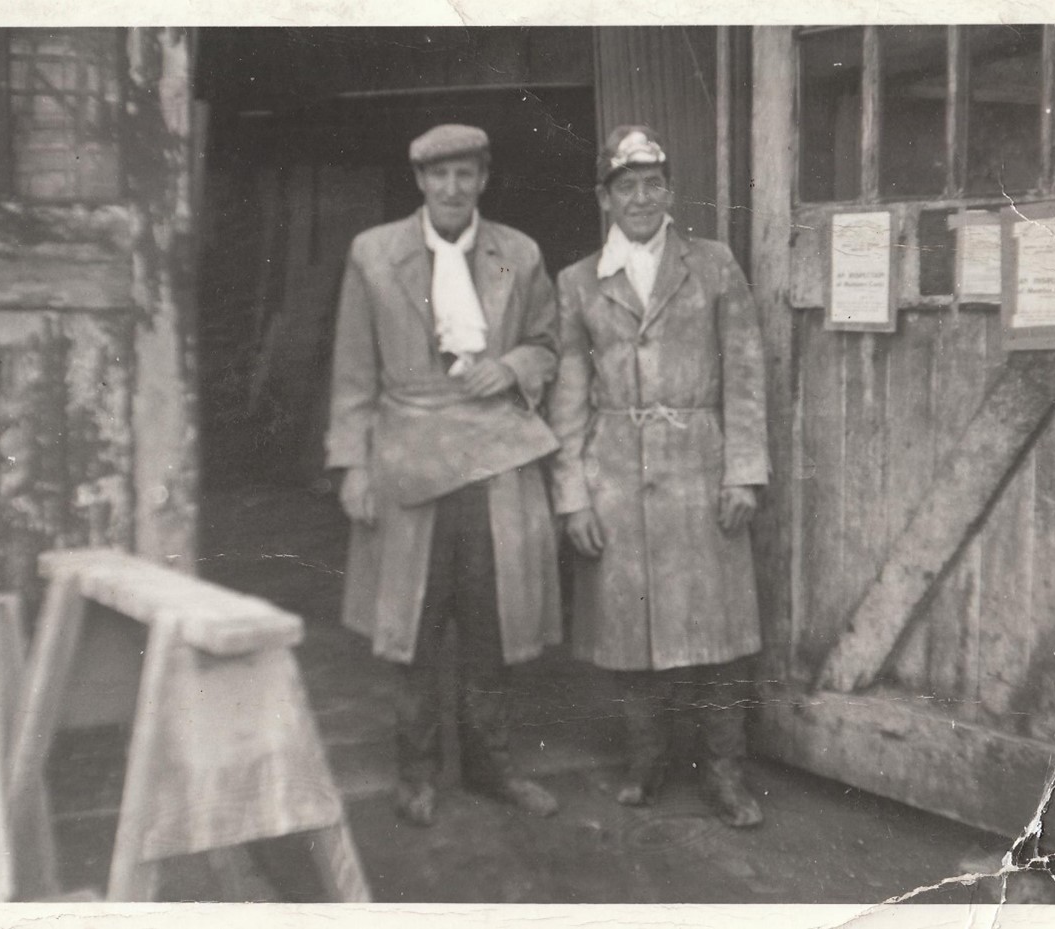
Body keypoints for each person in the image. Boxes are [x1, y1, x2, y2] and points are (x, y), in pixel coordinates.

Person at [325, 123, 563, 827]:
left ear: (483, 179)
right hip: (407, 459)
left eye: (465, 175)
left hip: (495, 460)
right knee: (414, 628)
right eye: (439, 176)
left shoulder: (517, 255)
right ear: (419, 183)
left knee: (494, 624)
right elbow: (351, 371)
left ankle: (493, 768)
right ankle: (416, 773)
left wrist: (514, 365)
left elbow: (549, 344)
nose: (452, 189)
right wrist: (351, 466)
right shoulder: (374, 255)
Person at [547, 125, 770, 827]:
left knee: (719, 633)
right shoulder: (578, 281)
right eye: (624, 186)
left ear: (668, 191)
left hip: (699, 469)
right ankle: (645, 762)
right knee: (628, 631)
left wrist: (743, 473)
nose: (639, 198)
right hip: (614, 475)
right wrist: (573, 493)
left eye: (650, 184)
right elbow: (567, 396)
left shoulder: (712, 265)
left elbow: (744, 372)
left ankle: (725, 773)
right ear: (604, 198)